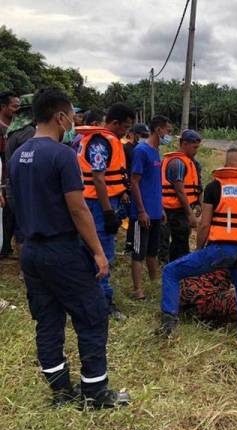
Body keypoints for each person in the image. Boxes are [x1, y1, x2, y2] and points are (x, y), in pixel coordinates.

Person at [8, 88, 129, 408]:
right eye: (70, 116)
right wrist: (99, 253)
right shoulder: (62, 154)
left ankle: (61, 392)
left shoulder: (17, 154)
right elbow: (78, 209)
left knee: (47, 322)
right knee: (91, 315)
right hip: (61, 249)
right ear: (60, 117)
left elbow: (16, 204)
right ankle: (96, 393)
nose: (72, 123)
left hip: (31, 251)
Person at [159, 147, 237, 354]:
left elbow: (204, 225)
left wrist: (199, 250)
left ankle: (169, 323)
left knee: (171, 271)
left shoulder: (215, 187)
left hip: (221, 249)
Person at [78, 103, 134, 320]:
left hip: (102, 201)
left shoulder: (105, 140)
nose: (126, 132)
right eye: (125, 127)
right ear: (114, 123)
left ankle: (89, 299)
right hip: (98, 205)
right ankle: (102, 303)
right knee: (102, 253)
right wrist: (108, 212)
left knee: (90, 252)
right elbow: (99, 178)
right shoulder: (101, 142)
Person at [130, 116, 170, 301]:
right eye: (167, 131)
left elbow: (154, 183)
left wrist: (160, 208)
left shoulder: (156, 152)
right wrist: (141, 210)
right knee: (139, 251)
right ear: (158, 130)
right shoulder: (141, 151)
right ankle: (137, 290)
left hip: (155, 211)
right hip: (142, 213)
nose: (168, 135)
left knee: (153, 250)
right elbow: (135, 182)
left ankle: (154, 282)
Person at [3, 94, 35, 270]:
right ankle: (27, 270)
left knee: (19, 227)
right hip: (24, 187)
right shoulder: (28, 132)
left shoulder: (12, 131)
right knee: (26, 228)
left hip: (11, 184)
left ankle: (25, 269)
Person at [160, 129, 202, 262]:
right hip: (172, 209)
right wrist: (190, 214)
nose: (196, 151)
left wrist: (199, 203)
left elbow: (198, 185)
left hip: (183, 208)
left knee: (182, 239)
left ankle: (175, 263)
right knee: (170, 240)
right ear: (184, 143)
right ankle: (168, 266)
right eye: (194, 147)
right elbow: (180, 190)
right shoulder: (177, 163)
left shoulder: (193, 163)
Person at [122, 123, 150, 253]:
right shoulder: (127, 148)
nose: (144, 138)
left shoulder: (140, 149)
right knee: (133, 216)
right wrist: (123, 191)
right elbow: (122, 170)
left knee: (134, 217)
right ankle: (131, 245)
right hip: (129, 188)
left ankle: (132, 243)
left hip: (138, 187)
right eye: (142, 135)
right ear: (134, 134)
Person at [0, 92, 20, 258]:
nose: (17, 109)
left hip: (12, 176)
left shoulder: (18, 127)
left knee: (11, 213)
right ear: (3, 107)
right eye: (14, 106)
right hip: (2, 175)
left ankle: (7, 246)